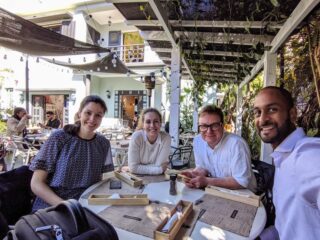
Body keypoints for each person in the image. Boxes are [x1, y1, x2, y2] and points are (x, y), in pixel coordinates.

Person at [253, 86, 320, 240]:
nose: (262, 119)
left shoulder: (308, 155)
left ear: (292, 114)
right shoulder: (283, 158)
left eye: (272, 109)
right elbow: (285, 226)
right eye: (258, 112)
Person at [30, 95, 114, 211]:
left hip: (86, 204)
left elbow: (100, 180)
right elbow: (36, 183)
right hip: (52, 205)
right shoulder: (59, 138)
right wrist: (66, 205)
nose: (92, 119)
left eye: (98, 115)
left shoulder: (103, 143)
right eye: (88, 113)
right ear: (79, 114)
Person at [181, 105, 256, 191]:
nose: (209, 131)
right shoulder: (198, 141)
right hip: (216, 191)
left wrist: (207, 181)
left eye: (214, 125)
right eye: (204, 126)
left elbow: (241, 182)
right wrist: (194, 174)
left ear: (222, 126)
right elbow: (203, 167)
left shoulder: (236, 144)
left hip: (244, 195)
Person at [128, 108, 171, 175]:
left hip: (159, 180)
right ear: (143, 125)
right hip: (138, 179)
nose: (152, 125)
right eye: (148, 122)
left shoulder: (166, 138)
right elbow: (133, 168)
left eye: (156, 121)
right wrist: (159, 170)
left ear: (160, 123)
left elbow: (134, 168)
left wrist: (139, 168)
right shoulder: (137, 137)